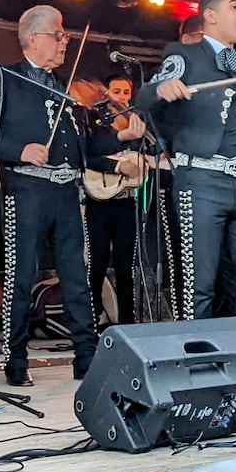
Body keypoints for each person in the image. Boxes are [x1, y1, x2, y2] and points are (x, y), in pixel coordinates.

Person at [135, 0, 236, 340]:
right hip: (201, 183)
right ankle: (196, 365)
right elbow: (143, 97)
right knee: (199, 282)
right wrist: (161, 89)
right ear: (210, 15)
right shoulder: (184, 56)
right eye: (235, 5)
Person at [0, 4, 96, 384]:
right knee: (22, 274)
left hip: (66, 191)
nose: (65, 42)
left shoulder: (61, 85)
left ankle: (86, 357)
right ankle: (16, 360)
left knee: (76, 275)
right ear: (34, 38)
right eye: (59, 35)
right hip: (27, 188)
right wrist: (19, 150)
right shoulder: (4, 77)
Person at [83, 74, 146, 328]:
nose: (122, 97)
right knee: (97, 260)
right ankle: (93, 315)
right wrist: (120, 166)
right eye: (116, 91)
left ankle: (128, 318)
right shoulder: (95, 120)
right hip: (98, 200)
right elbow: (90, 157)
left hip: (125, 199)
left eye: (126, 92)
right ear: (106, 94)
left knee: (125, 262)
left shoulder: (137, 122)